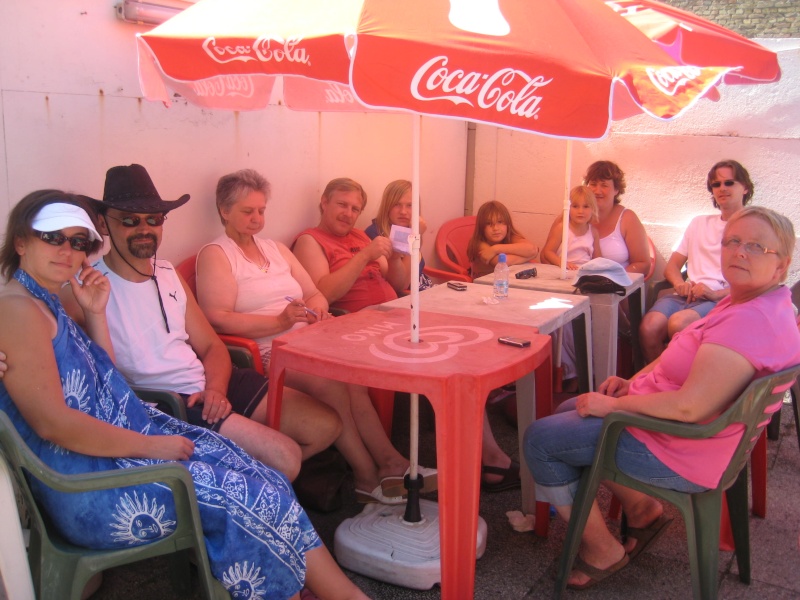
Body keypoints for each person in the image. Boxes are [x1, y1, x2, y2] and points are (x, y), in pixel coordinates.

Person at [0, 191, 369, 600]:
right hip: (96, 487)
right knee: (251, 494)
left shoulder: (43, 301)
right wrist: (152, 444)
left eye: (77, 241)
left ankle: (308, 589)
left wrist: (95, 312)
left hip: (117, 453)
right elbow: (53, 423)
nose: (67, 250)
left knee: (264, 477)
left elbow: (104, 381)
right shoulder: (19, 310)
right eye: (52, 237)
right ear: (20, 241)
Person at [523, 206, 800, 591]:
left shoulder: (748, 320)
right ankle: (643, 509)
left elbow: (690, 406)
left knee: (541, 441)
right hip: (692, 437)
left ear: (781, 265)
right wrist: (631, 382)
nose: (739, 252)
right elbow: (679, 368)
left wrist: (617, 405)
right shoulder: (755, 303)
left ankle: (603, 550)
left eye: (756, 246)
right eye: (733, 241)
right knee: (571, 409)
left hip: (682, 449)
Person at [61, 164, 341, 480]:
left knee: (326, 426)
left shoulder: (167, 273)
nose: (145, 228)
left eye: (154, 219)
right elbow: (61, 348)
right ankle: (248, 486)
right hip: (168, 402)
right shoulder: (86, 289)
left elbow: (211, 346)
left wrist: (216, 390)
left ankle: (246, 484)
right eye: (129, 220)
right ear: (103, 223)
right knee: (285, 456)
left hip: (209, 385)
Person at [195, 168, 436, 504]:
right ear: (224, 211)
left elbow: (314, 292)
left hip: (306, 338)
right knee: (331, 383)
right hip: (267, 350)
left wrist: (318, 311)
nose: (256, 219)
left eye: (261, 211)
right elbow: (215, 318)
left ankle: (390, 461)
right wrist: (279, 322)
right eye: (247, 211)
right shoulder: (216, 254)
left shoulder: (275, 248)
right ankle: (365, 475)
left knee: (352, 379)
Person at [639, 160, 753, 363]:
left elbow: (754, 281)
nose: (722, 188)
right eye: (716, 185)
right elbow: (672, 267)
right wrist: (679, 284)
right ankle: (656, 382)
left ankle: (682, 385)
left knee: (679, 323)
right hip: (687, 296)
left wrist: (715, 294)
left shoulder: (754, 227)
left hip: (723, 300)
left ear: (745, 187)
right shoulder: (699, 223)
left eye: (729, 183)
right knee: (649, 327)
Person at [292, 177, 409, 313]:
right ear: (324, 203)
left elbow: (398, 285)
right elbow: (321, 295)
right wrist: (364, 256)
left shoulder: (360, 235)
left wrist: (394, 259)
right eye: (342, 204)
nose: (348, 214)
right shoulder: (310, 240)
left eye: (355, 209)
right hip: (357, 320)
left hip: (392, 310)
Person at [364, 179, 434, 292]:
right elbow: (402, 284)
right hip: (405, 297)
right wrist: (415, 236)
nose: (403, 211)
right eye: (397, 205)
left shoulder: (407, 228)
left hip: (424, 289)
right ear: (387, 206)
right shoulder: (375, 234)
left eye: (409, 205)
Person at [584, 161, 650, 275]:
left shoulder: (628, 219)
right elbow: (547, 255)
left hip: (616, 289)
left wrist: (613, 279)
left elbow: (643, 264)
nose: (597, 191)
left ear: (616, 190)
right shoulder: (571, 215)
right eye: (593, 184)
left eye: (604, 185)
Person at [466, 200, 539, 279]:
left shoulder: (510, 236)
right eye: (489, 223)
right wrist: (530, 256)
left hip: (506, 283)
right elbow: (503, 262)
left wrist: (495, 249)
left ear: (507, 224)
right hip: (484, 286)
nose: (495, 228)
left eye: (500, 222)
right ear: (481, 227)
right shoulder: (478, 243)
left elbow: (531, 249)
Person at [541, 185, 601, 270]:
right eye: (575, 206)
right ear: (568, 208)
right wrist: (560, 262)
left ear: (593, 209)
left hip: (584, 272)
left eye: (586, 206)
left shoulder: (593, 232)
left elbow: (598, 259)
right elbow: (548, 252)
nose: (580, 211)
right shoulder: (562, 228)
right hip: (563, 271)